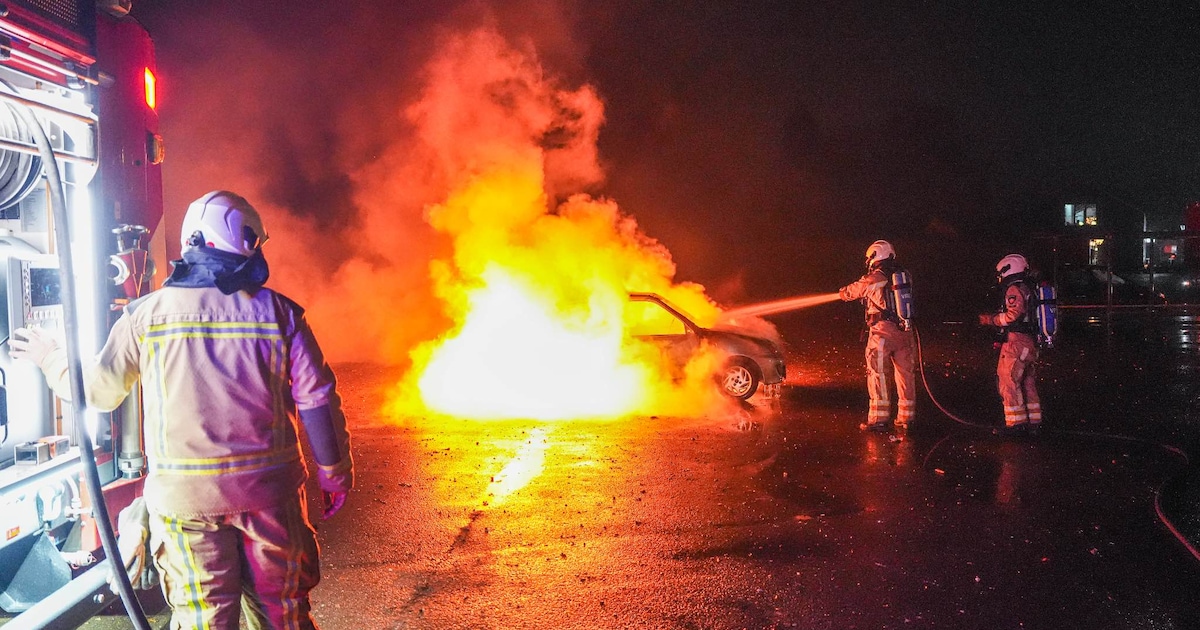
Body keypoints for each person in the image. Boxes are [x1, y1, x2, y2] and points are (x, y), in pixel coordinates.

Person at [10, 191, 353, 630]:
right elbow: (318, 398)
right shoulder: (281, 314)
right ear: (244, 243)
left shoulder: (146, 316)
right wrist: (334, 474)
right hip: (272, 498)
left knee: (204, 620)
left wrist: (49, 356)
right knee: (283, 615)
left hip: (186, 506)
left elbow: (97, 393)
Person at [839, 239, 916, 439]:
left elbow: (852, 292)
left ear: (874, 256)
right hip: (905, 332)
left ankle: (879, 419)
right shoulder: (904, 275)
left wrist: (842, 293)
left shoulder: (876, 277)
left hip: (882, 333)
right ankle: (906, 419)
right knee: (905, 375)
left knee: (878, 373)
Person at [978, 253, 1042, 437]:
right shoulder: (1030, 288)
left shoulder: (1014, 289)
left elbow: (1012, 316)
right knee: (1028, 383)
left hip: (1016, 343)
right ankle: (1034, 423)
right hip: (1031, 344)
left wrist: (990, 320)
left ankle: (1015, 424)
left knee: (1008, 381)